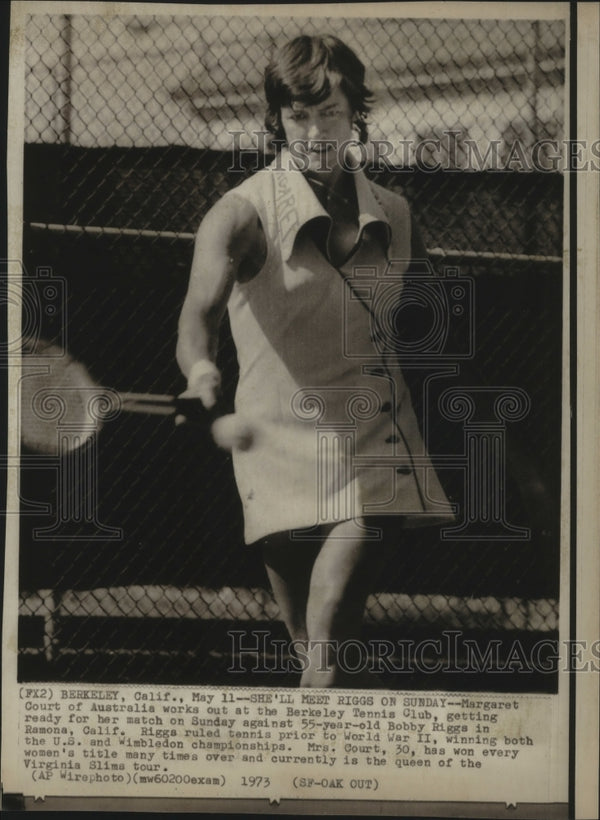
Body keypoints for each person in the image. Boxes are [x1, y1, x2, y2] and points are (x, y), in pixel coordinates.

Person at [176, 34, 454, 687]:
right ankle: (316, 766)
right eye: (299, 116)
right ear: (277, 118)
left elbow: (427, 320)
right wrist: (202, 373)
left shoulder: (396, 213)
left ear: (357, 112)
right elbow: (197, 315)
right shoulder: (239, 214)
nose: (315, 131)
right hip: (274, 437)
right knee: (310, 649)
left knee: (327, 636)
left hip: (370, 437)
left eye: (331, 113)